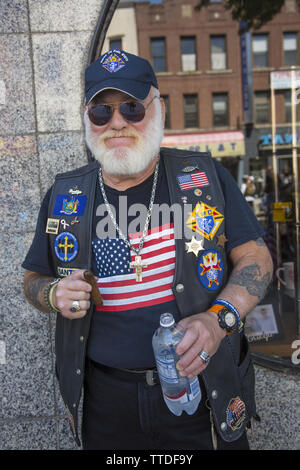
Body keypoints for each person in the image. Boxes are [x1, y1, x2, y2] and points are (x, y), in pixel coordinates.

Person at [22, 50, 273, 450]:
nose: (117, 122)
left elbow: (256, 259)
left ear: (158, 108)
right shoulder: (65, 194)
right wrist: (52, 294)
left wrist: (216, 321)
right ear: (87, 118)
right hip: (106, 402)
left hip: (204, 390)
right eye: (101, 112)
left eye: (132, 107)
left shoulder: (205, 175)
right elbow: (33, 278)